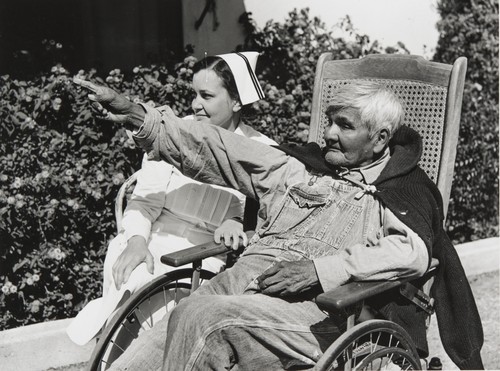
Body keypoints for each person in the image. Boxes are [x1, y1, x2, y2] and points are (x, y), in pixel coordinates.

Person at [75, 79, 483, 370]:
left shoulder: (403, 190)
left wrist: (320, 270)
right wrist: (138, 115)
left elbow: (410, 252)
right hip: (245, 280)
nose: (328, 134)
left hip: (320, 313)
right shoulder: (298, 168)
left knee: (204, 318)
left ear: (380, 138)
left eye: (345, 125)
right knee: (179, 319)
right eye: (330, 121)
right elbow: (218, 146)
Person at [66, 52, 276, 346]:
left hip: (202, 253)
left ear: (237, 101)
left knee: (162, 330)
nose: (195, 103)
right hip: (150, 235)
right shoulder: (175, 132)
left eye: (207, 95)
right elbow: (144, 201)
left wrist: (237, 220)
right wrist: (138, 240)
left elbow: (266, 215)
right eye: (194, 94)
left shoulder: (261, 150)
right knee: (130, 271)